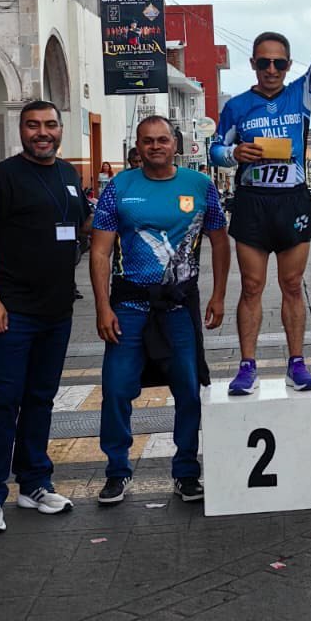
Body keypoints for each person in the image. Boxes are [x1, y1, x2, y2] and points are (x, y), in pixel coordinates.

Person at [210, 0, 311, 394]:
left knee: (292, 285)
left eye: (279, 63)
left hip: (292, 200)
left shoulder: (301, 94)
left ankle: (297, 363)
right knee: (252, 286)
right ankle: (247, 366)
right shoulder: (237, 106)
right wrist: (234, 152)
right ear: (253, 64)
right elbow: (214, 149)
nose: (271, 69)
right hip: (253, 202)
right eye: (263, 62)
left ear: (289, 65)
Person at [90, 115, 230, 504]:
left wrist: (218, 296)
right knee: (116, 389)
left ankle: (186, 471)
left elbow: (220, 241)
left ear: (175, 144)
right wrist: (102, 307)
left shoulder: (200, 185)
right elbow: (100, 252)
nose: (155, 146)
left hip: (179, 305)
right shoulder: (118, 188)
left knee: (188, 390)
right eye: (148, 140)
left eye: (162, 140)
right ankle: (117, 471)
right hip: (129, 305)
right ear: (137, 146)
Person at [0, 101, 91, 536]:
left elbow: (82, 227)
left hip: (56, 312)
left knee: (41, 399)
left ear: (61, 129)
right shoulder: (3, 176)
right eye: (33, 125)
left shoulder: (69, 175)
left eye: (50, 125)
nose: (43, 132)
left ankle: (34, 483)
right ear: (21, 130)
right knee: (4, 402)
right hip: (13, 312)